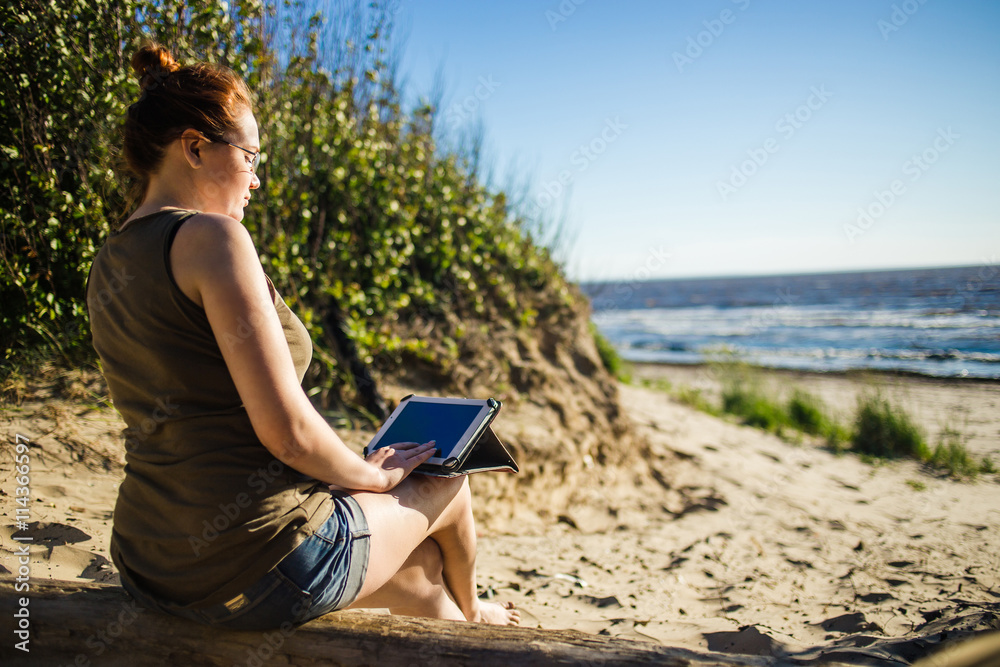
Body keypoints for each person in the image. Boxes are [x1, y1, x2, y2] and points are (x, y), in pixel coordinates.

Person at [86, 43, 519, 631]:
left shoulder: (109, 259)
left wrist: (349, 471)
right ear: (193, 147)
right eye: (250, 156)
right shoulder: (214, 240)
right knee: (445, 478)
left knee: (418, 574)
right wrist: (376, 474)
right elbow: (287, 433)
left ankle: (452, 616)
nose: (256, 179)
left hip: (149, 560)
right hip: (257, 559)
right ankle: (477, 615)